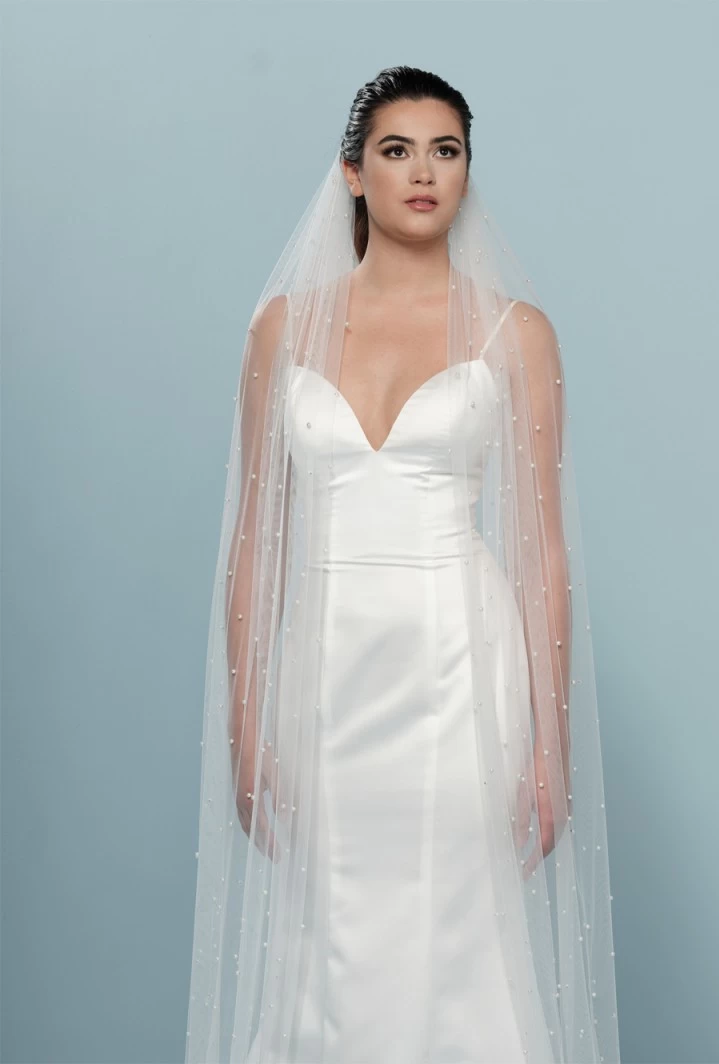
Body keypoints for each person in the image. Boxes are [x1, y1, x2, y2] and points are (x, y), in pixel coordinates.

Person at [185, 66, 620, 1064]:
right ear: (352, 173)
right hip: (325, 671)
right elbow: (254, 542)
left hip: (459, 666)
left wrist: (549, 744)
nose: (423, 172)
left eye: (445, 151)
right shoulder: (281, 327)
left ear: (465, 171)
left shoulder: (515, 332)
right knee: (328, 941)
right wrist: (245, 725)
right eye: (396, 150)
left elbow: (541, 550)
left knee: (456, 936)